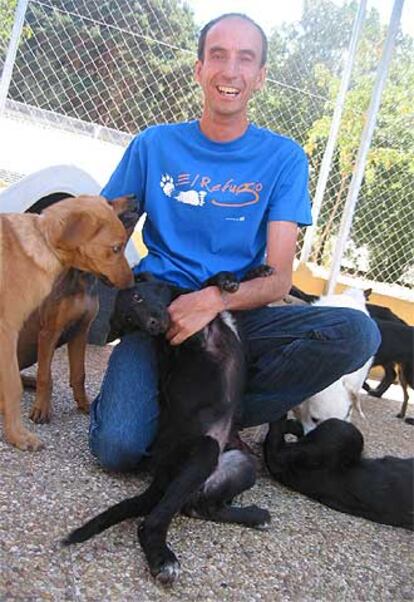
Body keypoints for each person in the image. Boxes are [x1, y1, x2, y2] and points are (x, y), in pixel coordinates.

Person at [89, 13, 380, 471]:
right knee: (118, 451)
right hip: (160, 313)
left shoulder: (283, 158)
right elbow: (103, 233)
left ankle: (213, 418)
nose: (230, 70)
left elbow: (278, 278)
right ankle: (186, 412)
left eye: (245, 59)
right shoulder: (154, 145)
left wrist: (211, 301)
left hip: (234, 316)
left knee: (357, 331)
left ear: (260, 77)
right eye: (218, 55)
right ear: (199, 69)